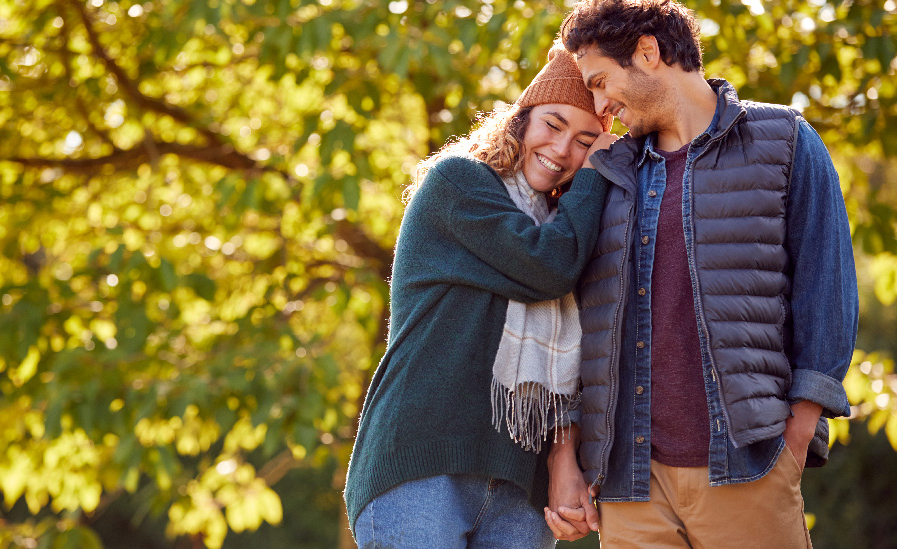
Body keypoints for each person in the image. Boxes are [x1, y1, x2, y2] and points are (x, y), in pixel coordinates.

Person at [543, 1, 860, 547]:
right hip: (628, 484)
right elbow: (573, 327)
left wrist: (799, 432)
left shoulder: (783, 140)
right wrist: (565, 456)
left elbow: (826, 286)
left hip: (749, 466)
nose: (599, 107)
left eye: (600, 82)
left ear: (648, 51)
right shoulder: (607, 174)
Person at [343, 43, 617, 548]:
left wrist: (564, 458)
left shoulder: (568, 227)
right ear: (520, 120)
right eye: (552, 126)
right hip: (423, 465)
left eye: (584, 142)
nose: (562, 151)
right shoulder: (459, 184)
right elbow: (547, 266)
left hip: (519, 482)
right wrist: (600, 168)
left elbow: (583, 358)